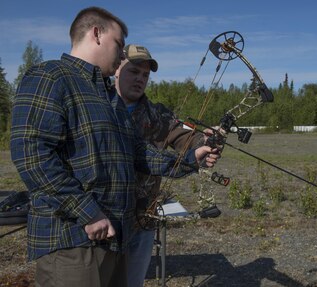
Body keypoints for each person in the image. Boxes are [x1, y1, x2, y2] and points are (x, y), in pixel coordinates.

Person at [10, 7, 218, 287]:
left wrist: (192, 158)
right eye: (119, 44)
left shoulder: (109, 96)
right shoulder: (51, 76)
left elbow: (138, 154)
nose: (122, 54)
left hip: (115, 238)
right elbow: (32, 154)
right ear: (96, 34)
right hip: (73, 242)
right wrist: (88, 212)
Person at [115, 44, 210, 287]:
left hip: (143, 217)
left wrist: (206, 141)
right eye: (134, 71)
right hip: (106, 218)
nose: (140, 79)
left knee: (133, 281)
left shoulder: (157, 114)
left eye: (145, 75)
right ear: (117, 68)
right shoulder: (98, 107)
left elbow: (184, 137)